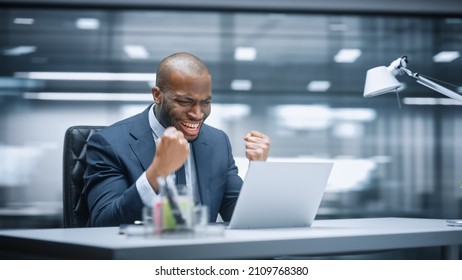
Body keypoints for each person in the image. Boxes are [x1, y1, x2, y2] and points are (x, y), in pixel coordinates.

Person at [84, 52, 270, 226]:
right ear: (157, 95)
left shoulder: (217, 142)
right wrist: (157, 172)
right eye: (185, 102)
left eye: (205, 102)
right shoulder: (110, 143)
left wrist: (259, 173)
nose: (197, 114)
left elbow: (241, 218)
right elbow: (103, 222)